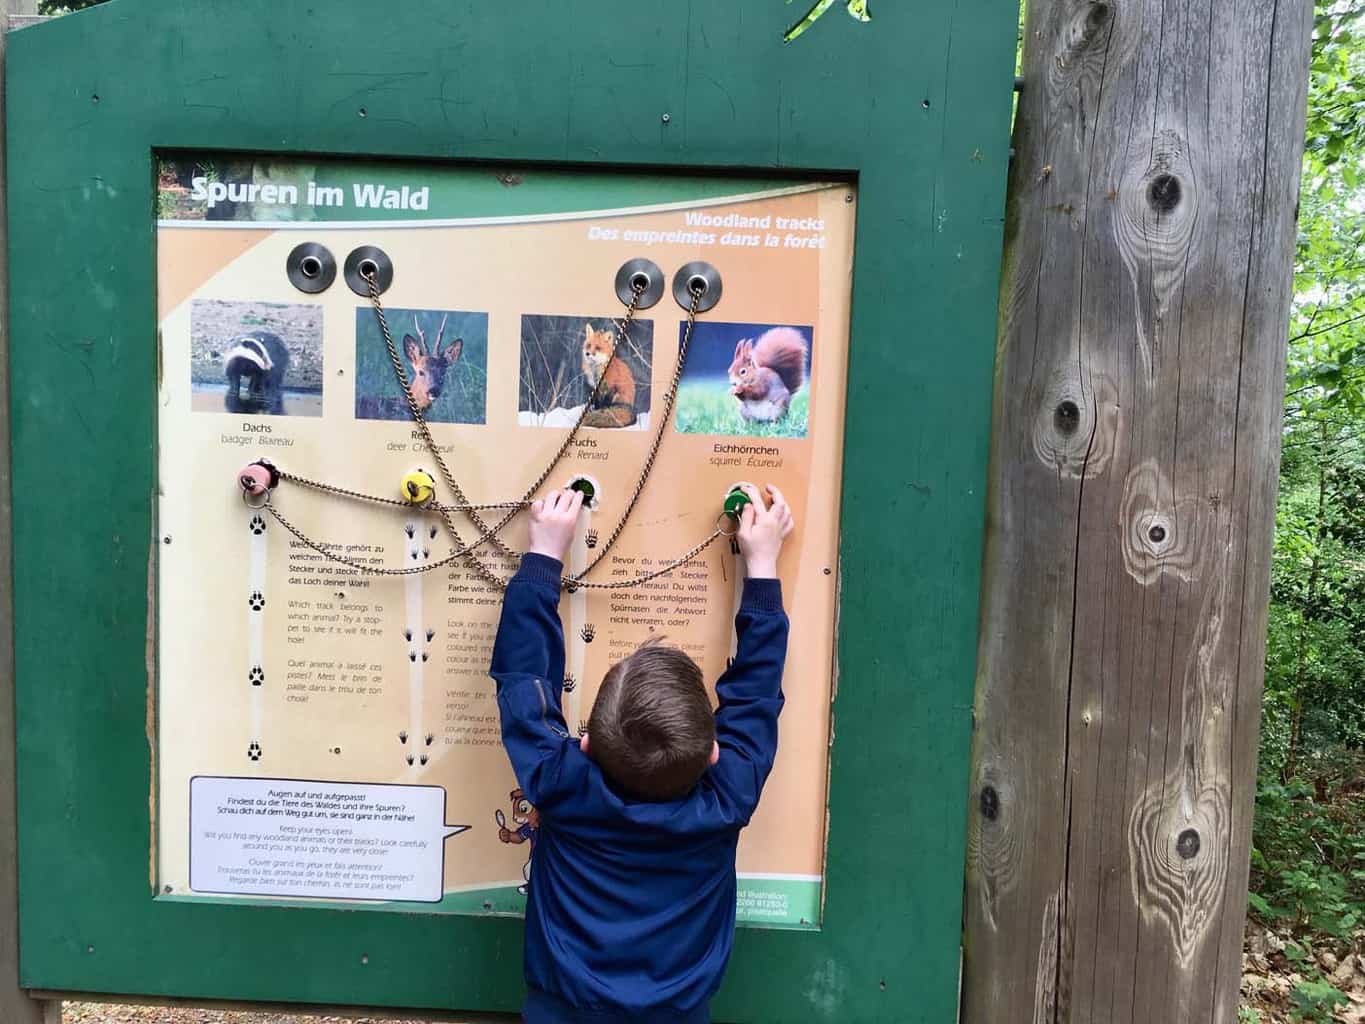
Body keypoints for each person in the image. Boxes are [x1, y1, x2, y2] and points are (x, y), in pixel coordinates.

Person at [490, 483, 794, 1023]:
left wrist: (543, 557)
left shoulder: (562, 781)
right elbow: (755, 699)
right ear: (712, 756)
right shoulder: (727, 797)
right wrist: (763, 567)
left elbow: (523, 677)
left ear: (585, 744)